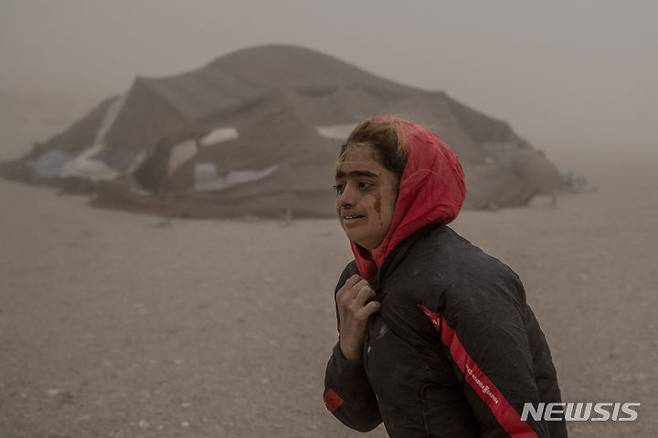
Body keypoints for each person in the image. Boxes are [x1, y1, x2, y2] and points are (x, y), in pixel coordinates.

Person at [323, 116, 567, 437]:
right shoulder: (359, 282)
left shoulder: (464, 282)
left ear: (411, 186)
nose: (345, 199)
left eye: (365, 184)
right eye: (340, 186)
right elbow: (357, 414)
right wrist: (348, 349)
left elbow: (517, 427)